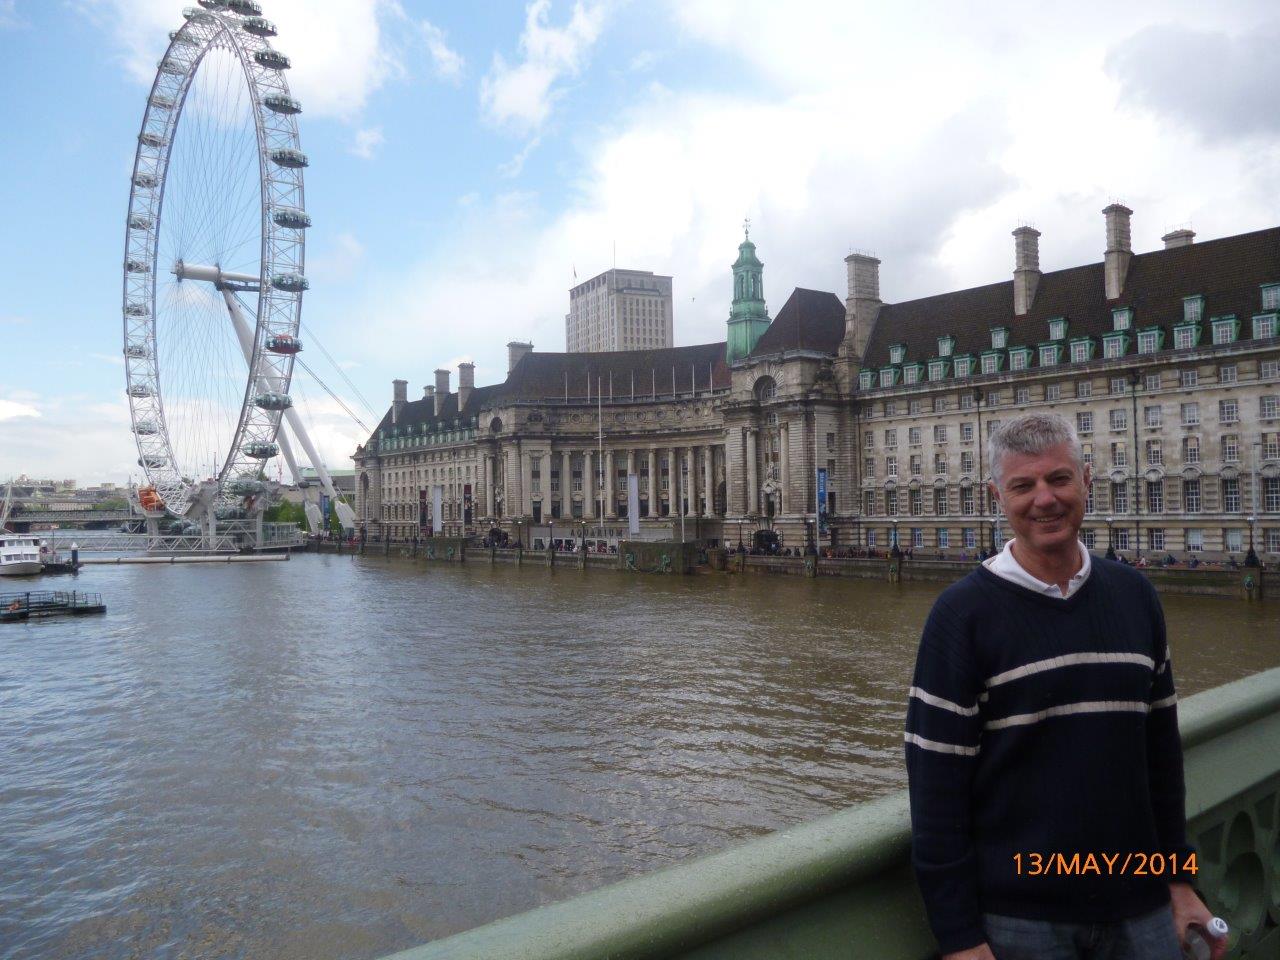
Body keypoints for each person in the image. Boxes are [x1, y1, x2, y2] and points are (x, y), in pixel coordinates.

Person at [905, 413, 1221, 960]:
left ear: (1087, 482)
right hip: (1021, 921)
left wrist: (1178, 878)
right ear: (996, 496)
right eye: (1023, 485)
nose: (1044, 499)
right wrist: (959, 937)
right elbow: (935, 788)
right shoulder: (961, 615)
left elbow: (1161, 759)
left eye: (1059, 479)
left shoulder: (1135, 596)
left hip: (1142, 905)